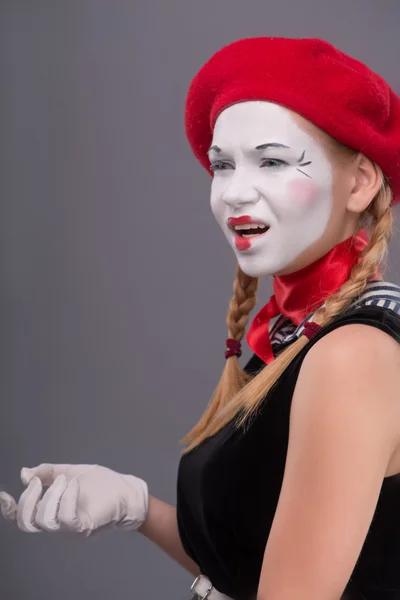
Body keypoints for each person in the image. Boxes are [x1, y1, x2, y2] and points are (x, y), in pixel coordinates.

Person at [1, 36, 400, 600]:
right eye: (222, 165)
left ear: (359, 182)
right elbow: (258, 562)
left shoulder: (352, 354)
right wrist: (135, 506)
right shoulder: (298, 330)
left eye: (272, 161)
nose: (236, 191)